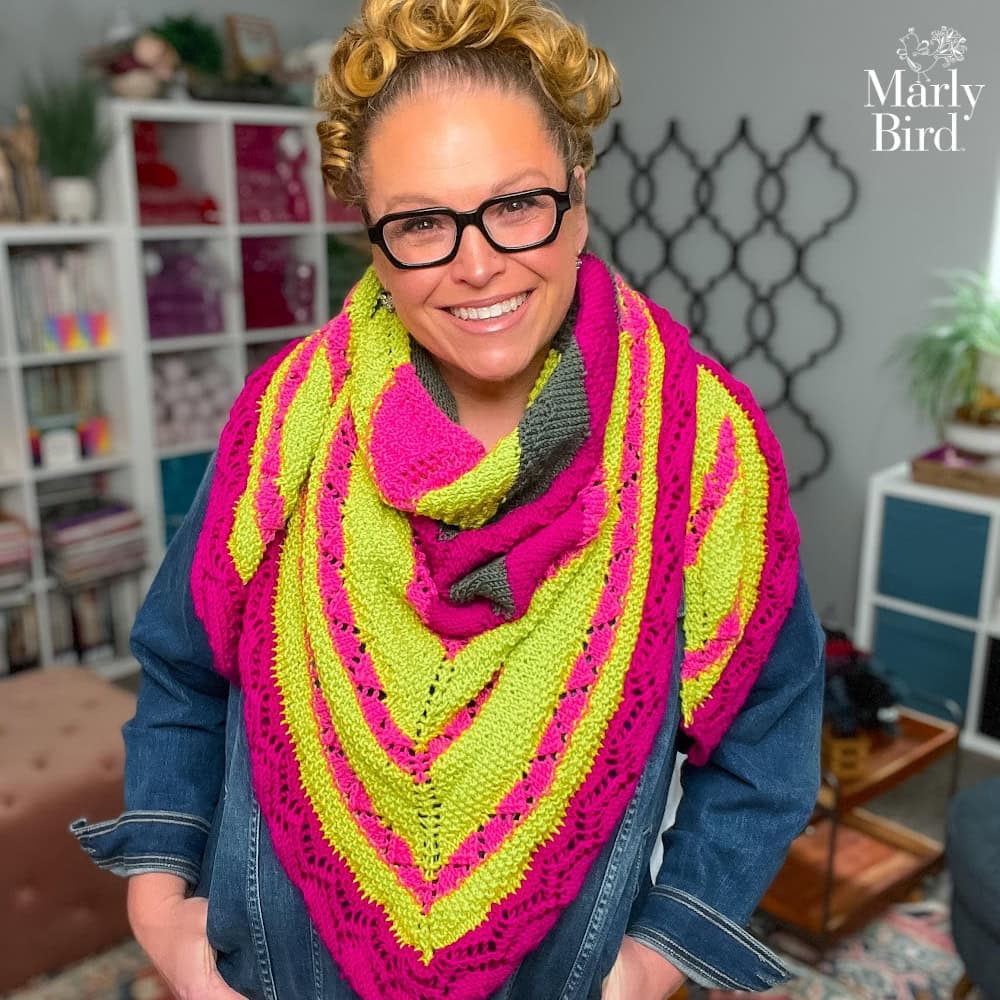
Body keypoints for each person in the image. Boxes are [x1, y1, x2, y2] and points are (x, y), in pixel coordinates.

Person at [72, 1, 825, 998]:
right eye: (422, 221)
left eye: (516, 204)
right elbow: (181, 668)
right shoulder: (287, 417)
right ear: (374, 241)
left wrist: (651, 961)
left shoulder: (701, 449)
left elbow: (767, 741)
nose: (476, 264)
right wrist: (160, 912)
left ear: (578, 195)